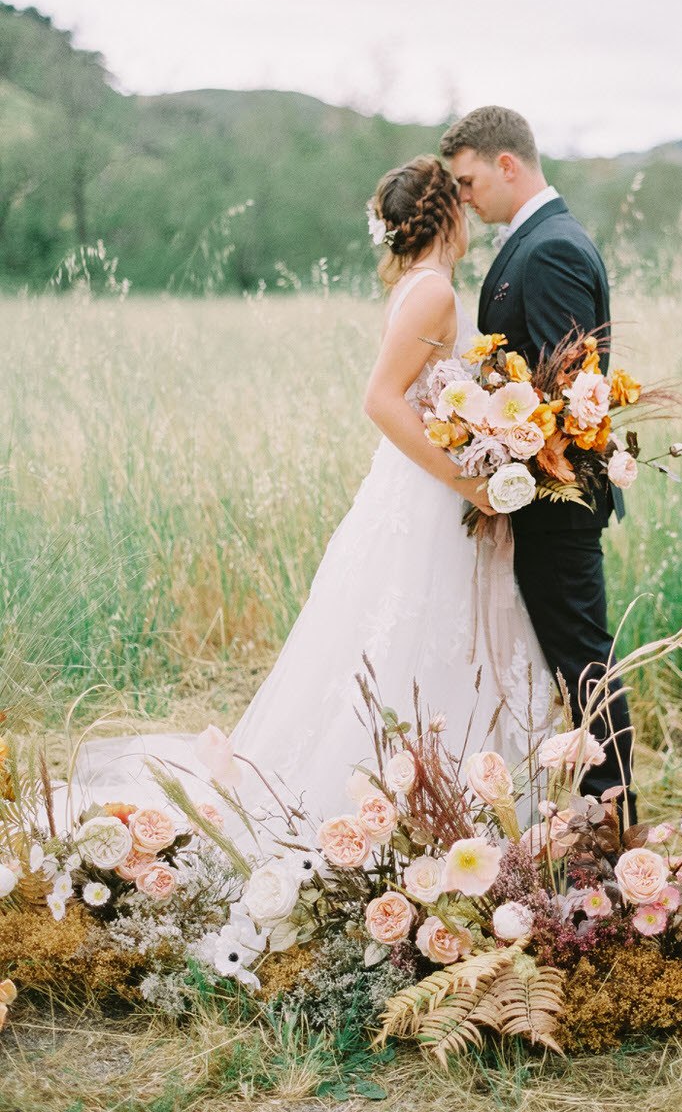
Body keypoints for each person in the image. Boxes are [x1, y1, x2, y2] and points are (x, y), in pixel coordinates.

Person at [66, 156, 555, 832]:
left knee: (422, 641)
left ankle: (442, 800)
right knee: (413, 641)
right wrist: (468, 479)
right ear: (444, 215)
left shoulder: (422, 286)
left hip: (422, 490)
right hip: (427, 498)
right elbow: (382, 400)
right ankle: (407, 804)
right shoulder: (433, 293)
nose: (472, 217)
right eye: (463, 206)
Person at [441, 106, 638, 825]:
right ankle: (587, 816)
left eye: (468, 181)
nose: (464, 197)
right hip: (534, 495)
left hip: (557, 498)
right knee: (569, 659)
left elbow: (566, 391)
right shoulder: (533, 240)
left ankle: (610, 814)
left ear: (506, 165)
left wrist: (509, 451)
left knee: (583, 662)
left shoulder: (550, 248)